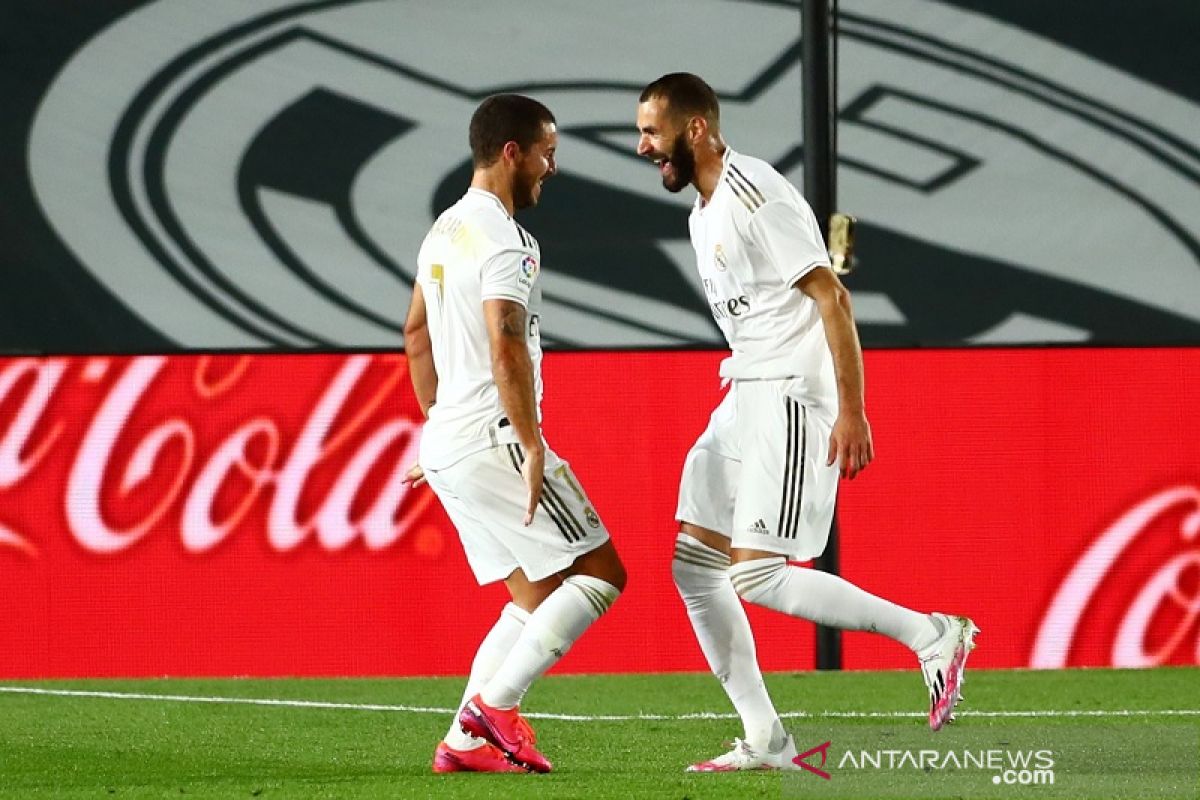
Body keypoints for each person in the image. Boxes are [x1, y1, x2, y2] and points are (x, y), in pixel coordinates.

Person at [634, 73, 978, 772]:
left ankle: (932, 633)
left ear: (695, 127)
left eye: (651, 131)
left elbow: (834, 299)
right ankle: (765, 740)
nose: (643, 146)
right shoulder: (702, 212)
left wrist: (851, 410)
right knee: (695, 566)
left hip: (791, 393)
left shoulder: (753, 194)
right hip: (745, 391)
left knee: (757, 576)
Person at [404, 93, 627, 774]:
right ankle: (494, 711)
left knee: (534, 596)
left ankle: (466, 742)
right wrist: (529, 444)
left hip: (450, 442)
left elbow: (415, 335)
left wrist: (441, 423)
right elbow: (505, 343)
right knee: (599, 574)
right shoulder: (506, 239)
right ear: (512, 152)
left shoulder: (442, 229)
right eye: (547, 153)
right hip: (496, 437)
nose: (550, 168)